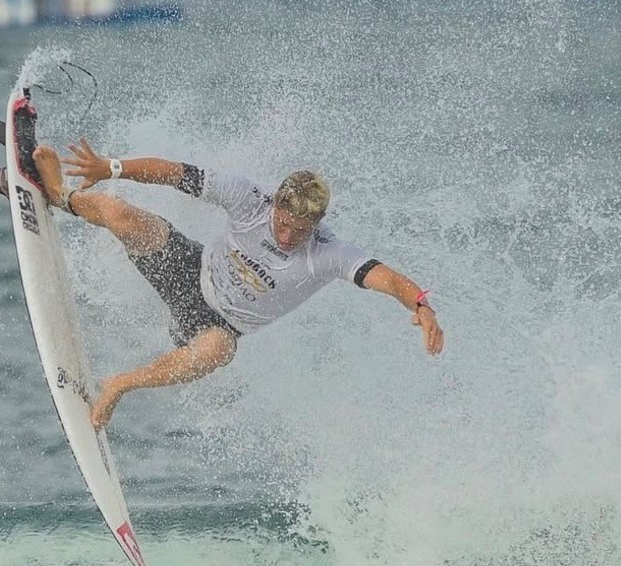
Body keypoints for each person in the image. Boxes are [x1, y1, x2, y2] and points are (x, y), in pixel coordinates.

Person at [26, 140, 445, 431]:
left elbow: (388, 278)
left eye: (300, 230)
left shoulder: (329, 253)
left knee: (219, 350)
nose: (287, 236)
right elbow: (174, 173)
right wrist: (111, 168)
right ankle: (60, 196)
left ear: (317, 224)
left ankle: (118, 384)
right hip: (190, 269)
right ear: (275, 203)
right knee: (120, 213)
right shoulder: (249, 198)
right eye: (283, 223)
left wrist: (421, 306)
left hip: (215, 325)